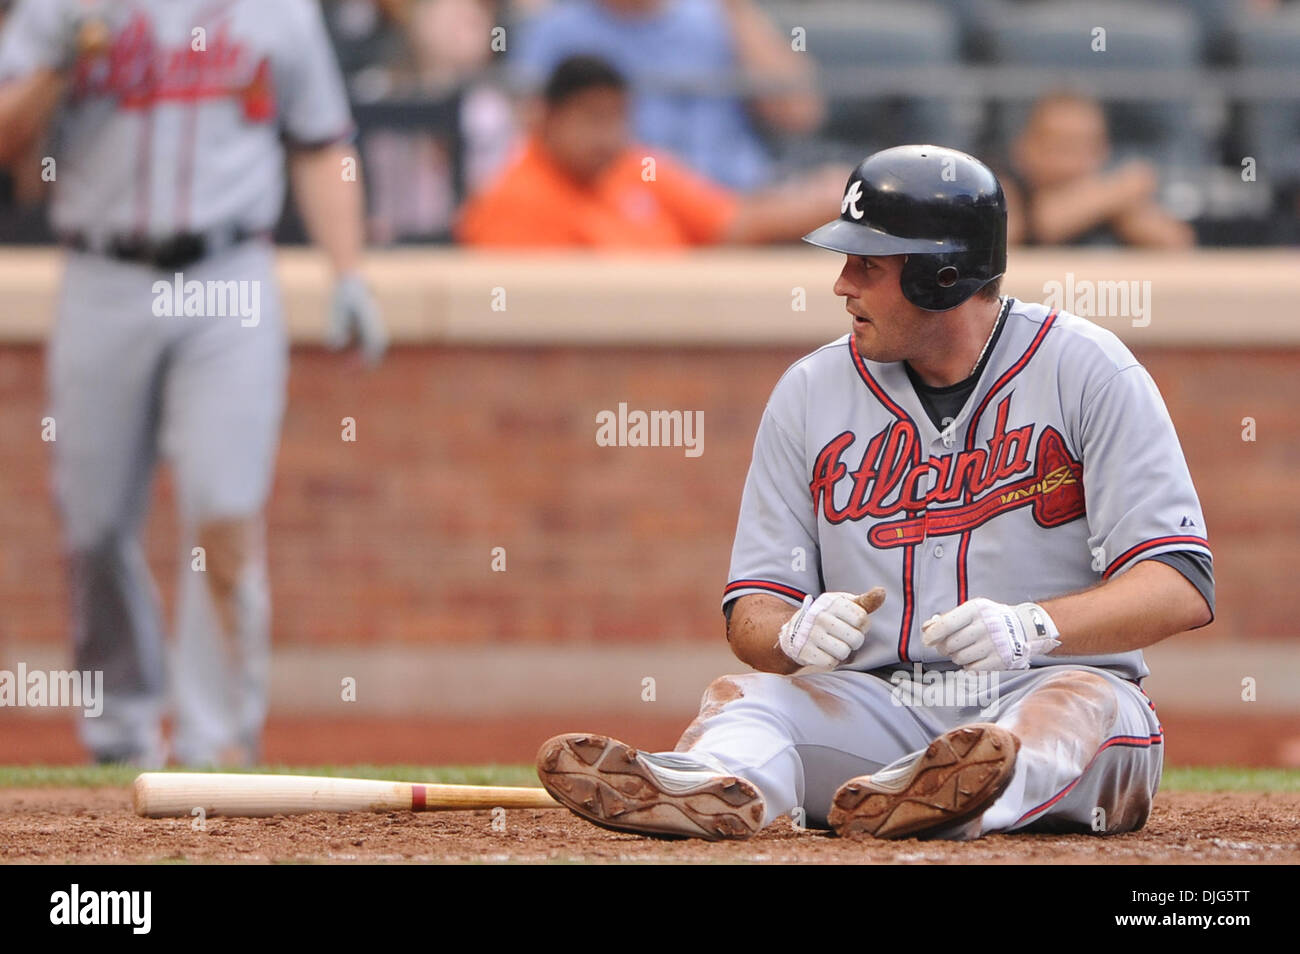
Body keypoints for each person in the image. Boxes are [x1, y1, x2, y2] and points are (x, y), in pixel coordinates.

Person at [536, 145, 1214, 841]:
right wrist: (791, 634)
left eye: (868, 264)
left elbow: (1180, 582)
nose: (841, 284)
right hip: (876, 707)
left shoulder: (1088, 369)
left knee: (1070, 714)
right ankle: (719, 787)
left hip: (1051, 683)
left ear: (939, 276)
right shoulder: (811, 391)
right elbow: (753, 615)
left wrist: (1033, 627)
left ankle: (968, 797)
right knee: (748, 699)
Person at [0, 0, 388, 766]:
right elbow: (10, 140)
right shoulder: (62, 5)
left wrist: (348, 270)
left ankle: (217, 743)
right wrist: (65, 59)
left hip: (229, 272)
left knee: (224, 508)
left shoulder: (279, 12)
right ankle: (120, 735)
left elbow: (321, 141)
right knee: (94, 522)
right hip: (103, 272)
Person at [455, 54, 843, 247]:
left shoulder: (638, 167)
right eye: (593, 119)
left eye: (617, 119)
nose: (609, 136)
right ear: (545, 118)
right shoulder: (509, 202)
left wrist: (832, 198)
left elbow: (733, 222)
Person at [512, 0, 822, 190]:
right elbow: (529, 137)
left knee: (834, 192)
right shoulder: (555, 29)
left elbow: (799, 113)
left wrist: (737, 9)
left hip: (735, 201)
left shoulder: (717, 16)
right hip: (622, 209)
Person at [1002, 91, 1194, 248]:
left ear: (1104, 150)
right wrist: (1115, 192)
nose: (1071, 162)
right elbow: (1026, 229)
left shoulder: (1120, 204)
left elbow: (1175, 243)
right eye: (1059, 146)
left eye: (1085, 147)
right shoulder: (1003, 188)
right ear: (1025, 146)